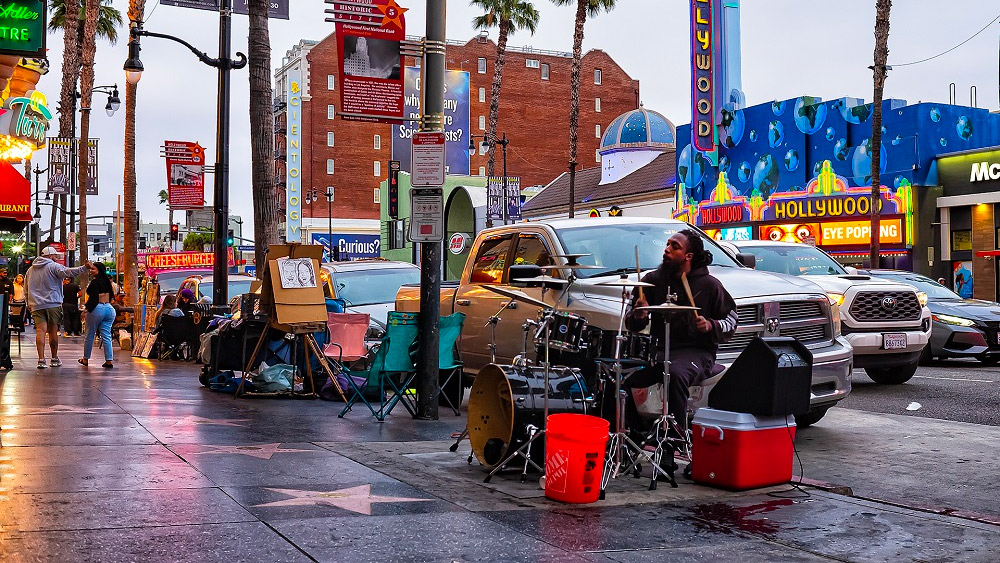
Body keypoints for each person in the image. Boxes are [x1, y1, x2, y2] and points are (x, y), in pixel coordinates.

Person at [624, 229, 738, 445]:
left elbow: (732, 320)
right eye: (667, 244)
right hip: (658, 353)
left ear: (689, 256)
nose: (667, 249)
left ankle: (676, 440)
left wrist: (710, 325)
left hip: (697, 353)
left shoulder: (710, 285)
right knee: (621, 379)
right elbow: (632, 323)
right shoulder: (651, 281)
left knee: (675, 373)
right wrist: (639, 315)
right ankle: (635, 437)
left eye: (674, 246)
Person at [24, 247, 90, 369]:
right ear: (50, 256)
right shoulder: (53, 267)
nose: (57, 258)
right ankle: (54, 358)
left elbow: (26, 288)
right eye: (55, 255)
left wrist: (28, 302)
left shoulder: (30, 270)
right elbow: (69, 272)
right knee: (53, 331)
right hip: (53, 303)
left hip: (36, 305)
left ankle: (41, 359)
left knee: (40, 331)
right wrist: (84, 267)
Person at [79, 262, 116, 368]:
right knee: (106, 335)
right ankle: (109, 360)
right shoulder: (108, 282)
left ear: (99, 270)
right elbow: (112, 296)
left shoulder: (95, 283)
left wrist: (85, 310)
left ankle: (85, 359)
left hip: (97, 308)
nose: (91, 271)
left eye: (93, 269)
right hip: (109, 309)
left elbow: (93, 299)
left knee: (90, 334)